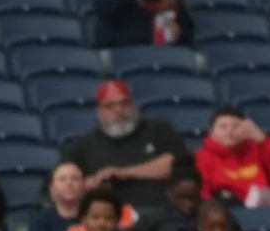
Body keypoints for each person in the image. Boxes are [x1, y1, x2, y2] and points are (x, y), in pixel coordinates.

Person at [60, 80, 185, 215]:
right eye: (109, 106)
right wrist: (90, 184)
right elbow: (60, 185)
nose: (118, 110)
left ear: (133, 105)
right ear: (99, 111)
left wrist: (123, 173)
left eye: (124, 103)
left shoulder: (158, 129)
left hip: (160, 213)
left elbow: (173, 164)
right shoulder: (83, 145)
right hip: (109, 222)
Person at [194, 109, 270, 208]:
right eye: (223, 126)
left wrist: (263, 141)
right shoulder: (202, 157)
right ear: (212, 132)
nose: (230, 130)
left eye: (236, 126)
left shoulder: (260, 150)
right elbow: (204, 195)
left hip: (264, 212)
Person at [22, 161, 96, 231]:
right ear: (52, 188)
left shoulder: (96, 217)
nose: (69, 183)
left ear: (84, 186)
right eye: (62, 179)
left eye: (75, 179)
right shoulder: (41, 221)